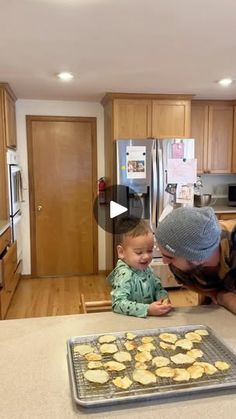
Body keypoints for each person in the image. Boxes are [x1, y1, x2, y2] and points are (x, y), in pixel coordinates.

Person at [156, 206, 236, 314]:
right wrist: (217, 295)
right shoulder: (179, 260)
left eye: (169, 257)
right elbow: (189, 282)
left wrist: (223, 297)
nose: (164, 261)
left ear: (197, 259)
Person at [107, 216, 172, 318]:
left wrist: (162, 299)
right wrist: (147, 309)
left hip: (149, 320)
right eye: (139, 252)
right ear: (121, 252)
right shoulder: (124, 274)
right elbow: (118, 304)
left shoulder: (148, 269)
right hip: (129, 323)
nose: (146, 256)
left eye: (150, 250)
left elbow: (158, 289)